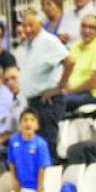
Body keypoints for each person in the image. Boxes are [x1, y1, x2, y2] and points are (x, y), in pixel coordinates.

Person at [19, 9, 73, 156]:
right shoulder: (27, 44)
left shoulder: (49, 41)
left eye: (31, 25)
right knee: (36, 149)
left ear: (41, 24)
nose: (27, 29)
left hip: (48, 102)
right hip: (33, 102)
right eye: (24, 26)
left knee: (48, 147)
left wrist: (59, 87)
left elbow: (70, 62)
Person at [63, 15, 96, 110]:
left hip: (92, 94)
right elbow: (66, 70)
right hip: (72, 92)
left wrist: (69, 91)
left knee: (58, 102)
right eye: (84, 26)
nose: (87, 31)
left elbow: (93, 83)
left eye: (91, 28)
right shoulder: (76, 46)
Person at [8, 110, 51, 192]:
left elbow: (42, 168)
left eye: (32, 120)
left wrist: (39, 191)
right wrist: (14, 181)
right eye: (25, 120)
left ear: (37, 125)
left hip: (33, 186)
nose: (28, 123)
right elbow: (12, 163)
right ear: (20, 124)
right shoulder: (14, 141)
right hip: (20, 184)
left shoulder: (40, 144)